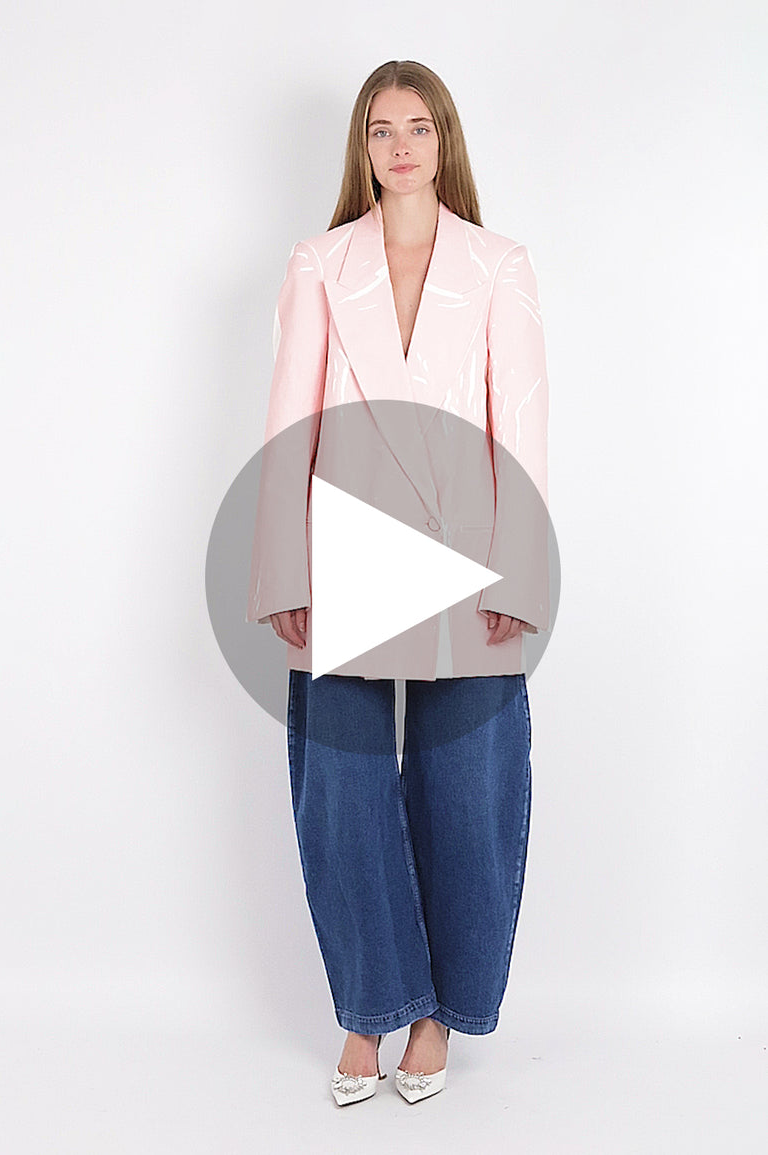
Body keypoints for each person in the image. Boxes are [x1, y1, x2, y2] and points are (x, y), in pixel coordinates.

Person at [246, 60, 550, 1105]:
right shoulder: (319, 263)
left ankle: (438, 1012)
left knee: (469, 794)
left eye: (418, 126)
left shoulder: (499, 264)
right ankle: (369, 1004)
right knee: (341, 794)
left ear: (444, 139)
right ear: (362, 148)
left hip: (471, 559)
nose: (401, 145)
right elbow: (290, 423)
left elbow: (522, 424)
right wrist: (282, 566)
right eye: (381, 129)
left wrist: (521, 573)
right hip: (346, 553)